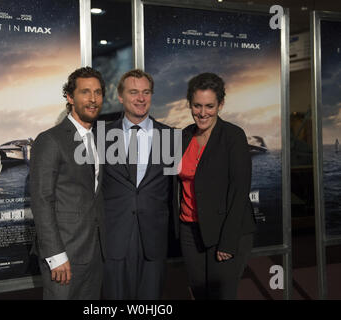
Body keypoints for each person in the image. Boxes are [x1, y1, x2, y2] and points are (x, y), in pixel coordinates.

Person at [175, 72, 256, 299]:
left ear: (220, 104)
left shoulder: (233, 136)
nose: (202, 113)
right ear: (189, 104)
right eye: (197, 105)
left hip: (225, 232)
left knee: (222, 296)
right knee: (199, 294)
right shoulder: (183, 136)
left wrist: (227, 243)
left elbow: (240, 192)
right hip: (190, 230)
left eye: (209, 106)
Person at [29, 67, 106, 300]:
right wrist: (55, 255)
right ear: (70, 97)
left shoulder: (100, 138)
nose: (93, 99)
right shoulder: (50, 140)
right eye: (85, 92)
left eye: (98, 92)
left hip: (94, 253)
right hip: (64, 255)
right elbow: (42, 201)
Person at [102, 69, 175, 300]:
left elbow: (175, 190)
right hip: (114, 238)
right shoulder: (100, 136)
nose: (140, 98)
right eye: (133, 92)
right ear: (120, 97)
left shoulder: (170, 137)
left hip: (154, 238)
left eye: (146, 92)